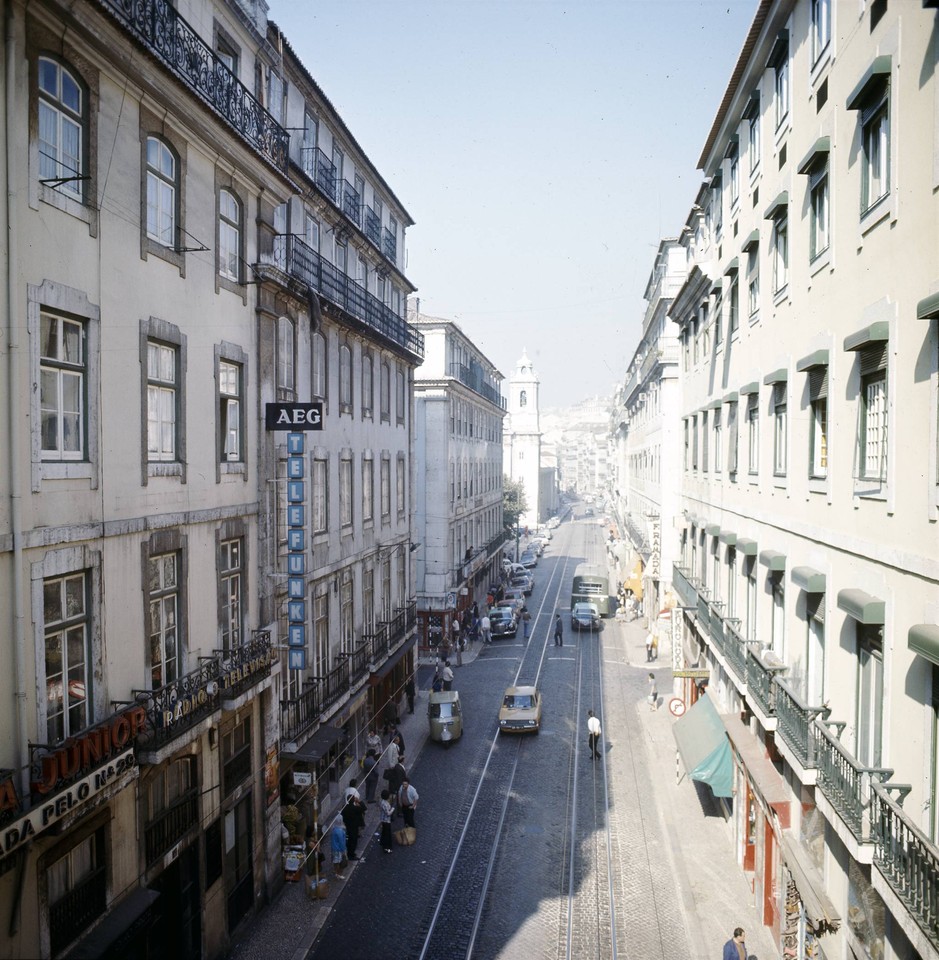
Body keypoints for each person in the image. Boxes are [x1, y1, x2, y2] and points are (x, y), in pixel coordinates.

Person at [341, 792, 365, 860]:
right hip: (354, 826)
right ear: (354, 800)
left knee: (350, 840)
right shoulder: (355, 808)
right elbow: (364, 808)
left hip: (348, 825)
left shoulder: (344, 807)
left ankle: (350, 853)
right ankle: (351, 854)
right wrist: (359, 801)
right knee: (353, 840)